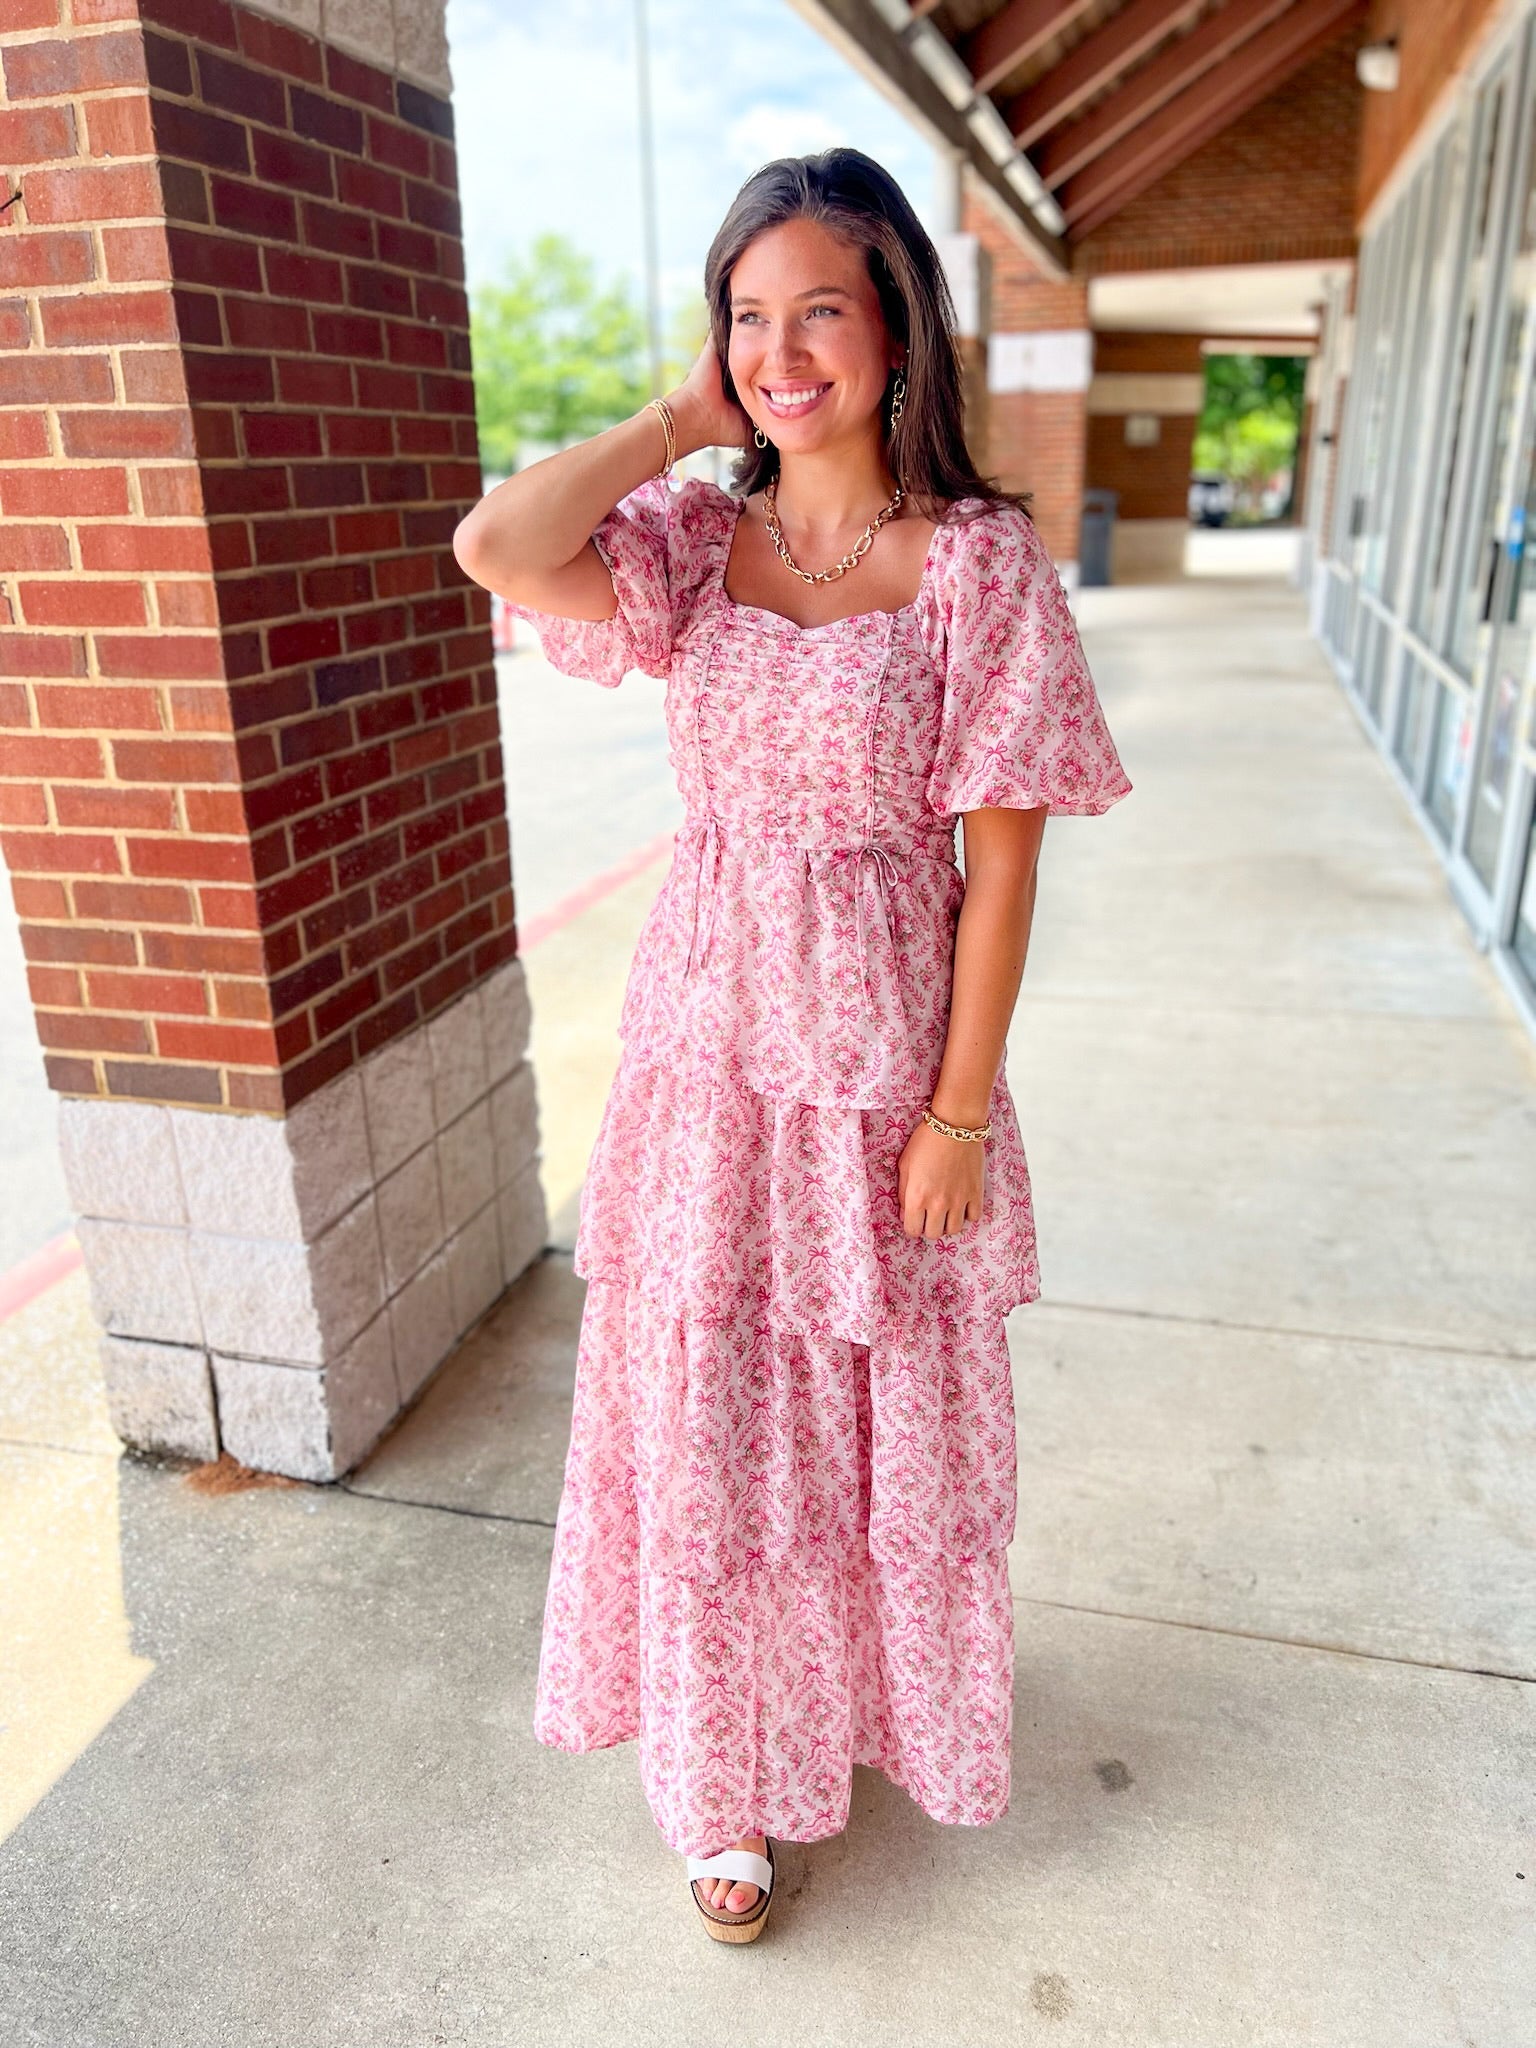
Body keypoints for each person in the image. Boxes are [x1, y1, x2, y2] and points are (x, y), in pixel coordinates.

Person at [452, 147, 1132, 1945]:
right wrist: (682, 413)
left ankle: (869, 1714)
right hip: (707, 1060)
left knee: (875, 1425)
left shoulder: (979, 569)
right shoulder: (691, 541)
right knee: (710, 1428)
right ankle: (724, 1782)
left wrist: (960, 1113)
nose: (783, 349)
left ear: (900, 321)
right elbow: (499, 545)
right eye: (749, 316)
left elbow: (999, 875)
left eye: (820, 307)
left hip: (886, 1066)